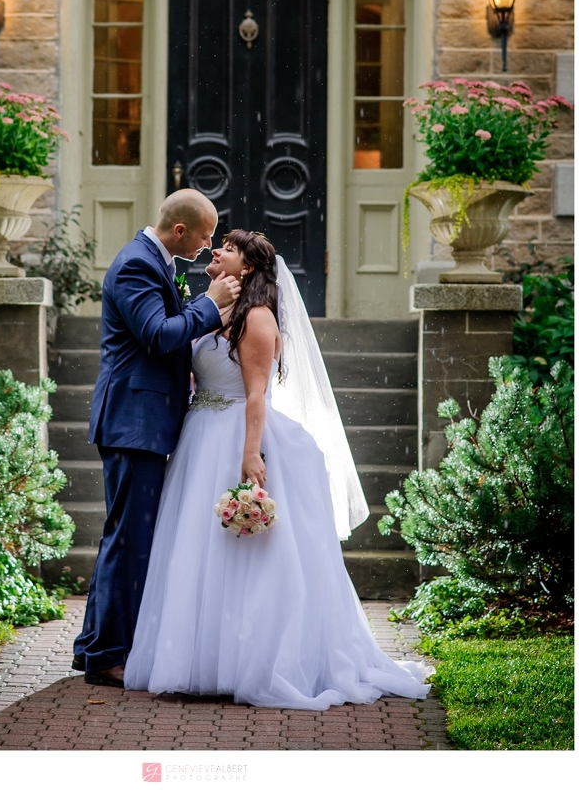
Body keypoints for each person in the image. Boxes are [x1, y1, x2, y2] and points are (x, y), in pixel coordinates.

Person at [124, 230, 431, 709]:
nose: (215, 251)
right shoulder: (211, 311)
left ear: (246, 268)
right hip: (199, 437)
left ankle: (254, 659)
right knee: (199, 552)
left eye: (226, 247)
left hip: (234, 435)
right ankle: (203, 657)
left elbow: (255, 395)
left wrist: (250, 455)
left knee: (248, 559)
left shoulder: (257, 319)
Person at [72, 190, 241, 688]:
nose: (212, 246)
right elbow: (157, 335)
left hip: (145, 420)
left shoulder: (158, 263)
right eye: (207, 235)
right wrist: (211, 306)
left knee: (127, 535)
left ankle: (95, 646)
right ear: (181, 230)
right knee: (129, 538)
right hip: (133, 421)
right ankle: (105, 654)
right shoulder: (136, 266)